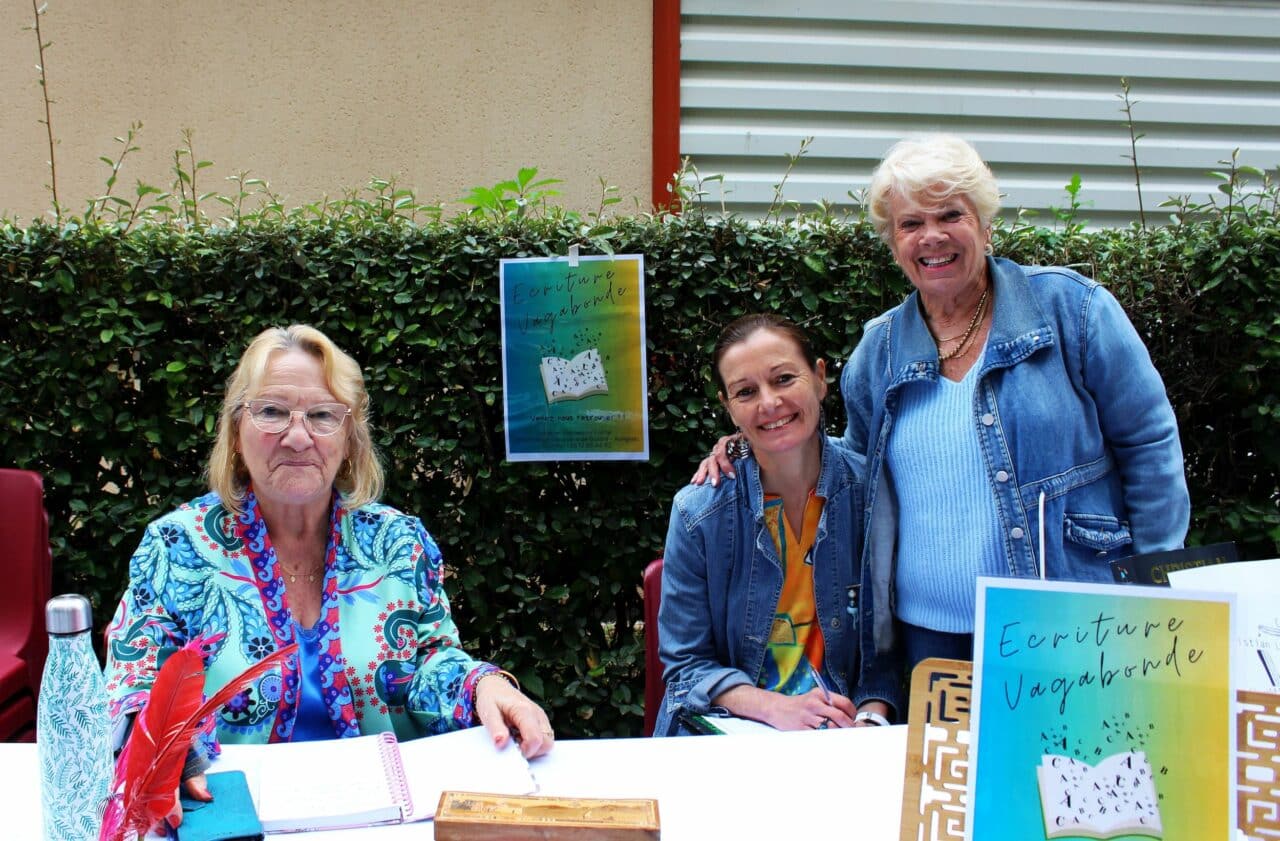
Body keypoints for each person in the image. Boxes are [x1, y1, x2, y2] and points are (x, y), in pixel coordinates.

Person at [694, 135, 1190, 676]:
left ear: (984, 222)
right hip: (929, 637)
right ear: (894, 242)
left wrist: (1152, 583)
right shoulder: (877, 352)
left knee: (1068, 762)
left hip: (1068, 617)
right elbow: (854, 474)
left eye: (950, 214)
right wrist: (754, 443)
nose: (931, 236)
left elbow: (1149, 444)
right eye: (910, 224)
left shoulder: (1073, 311)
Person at [104, 324, 554, 825]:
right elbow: (134, 679)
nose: (298, 437)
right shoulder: (176, 545)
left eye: (321, 415)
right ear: (236, 432)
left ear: (349, 440)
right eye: (272, 412)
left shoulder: (396, 543)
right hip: (226, 819)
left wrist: (483, 687)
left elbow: (429, 663)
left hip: (384, 821)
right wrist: (166, 749)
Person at [656, 314, 900, 737]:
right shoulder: (698, 513)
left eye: (784, 379)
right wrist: (773, 708)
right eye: (746, 392)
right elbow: (685, 667)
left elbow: (888, 649)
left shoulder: (871, 495)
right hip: (726, 737)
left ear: (820, 378)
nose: (768, 403)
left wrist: (871, 718)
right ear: (729, 408)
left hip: (847, 736)